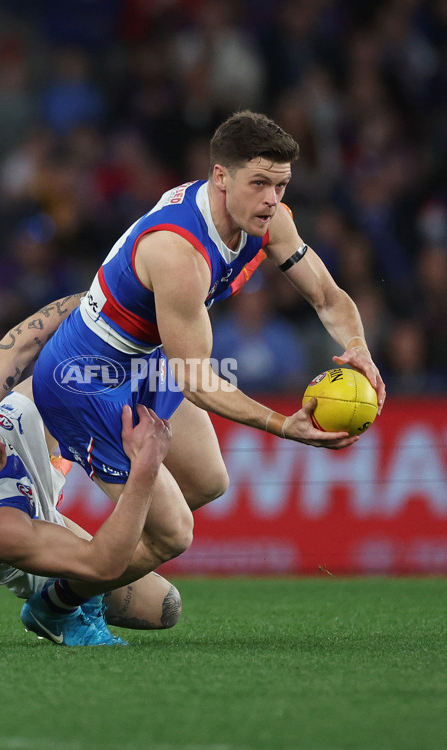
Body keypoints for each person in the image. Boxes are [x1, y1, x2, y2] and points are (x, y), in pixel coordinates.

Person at [32, 110, 387, 582]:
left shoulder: (269, 220)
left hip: (146, 359)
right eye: (259, 183)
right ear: (220, 176)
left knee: (206, 482)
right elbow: (197, 382)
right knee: (175, 535)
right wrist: (284, 426)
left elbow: (326, 296)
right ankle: (61, 599)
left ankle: (81, 559)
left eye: (281, 185)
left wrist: (358, 345)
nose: (271, 199)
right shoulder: (178, 252)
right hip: (85, 376)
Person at [0, 293, 182, 647]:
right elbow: (102, 564)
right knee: (166, 607)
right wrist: (145, 463)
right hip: (26, 527)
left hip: (19, 446)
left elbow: (18, 346)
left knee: (67, 370)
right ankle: (52, 609)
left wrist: (100, 298)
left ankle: (64, 448)